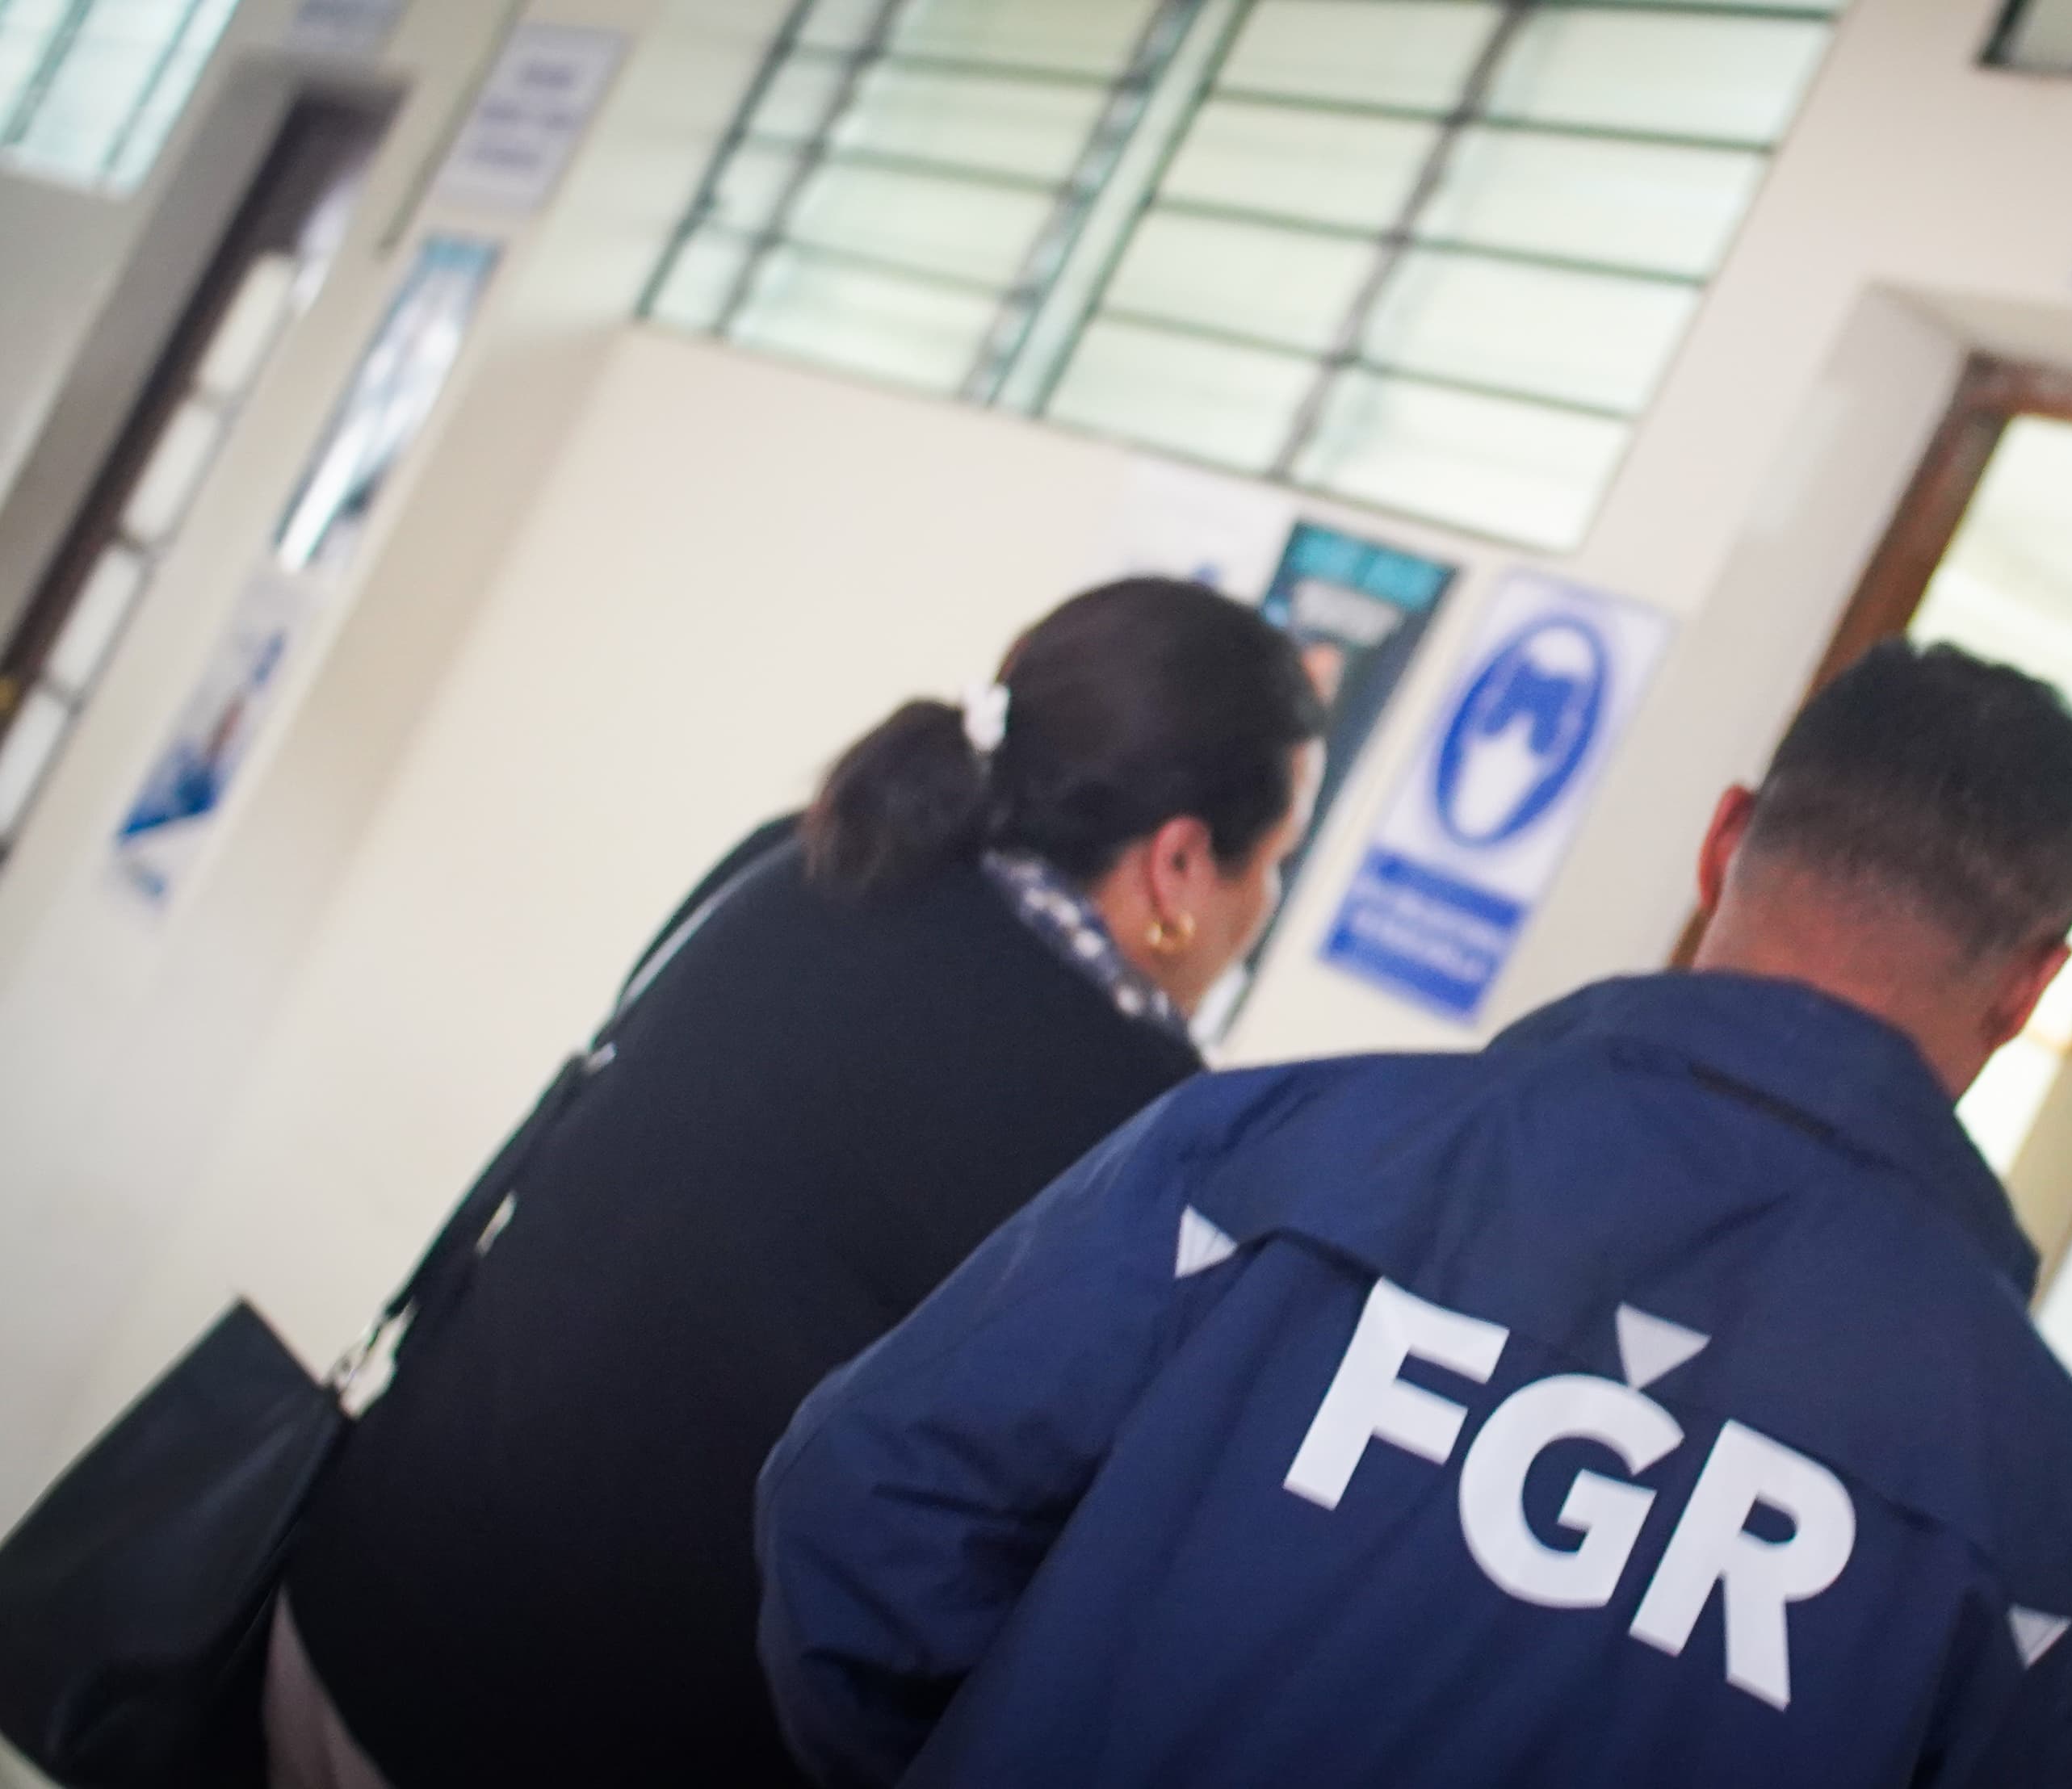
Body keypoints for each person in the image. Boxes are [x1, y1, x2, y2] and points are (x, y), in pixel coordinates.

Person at [755, 639, 2072, 1787]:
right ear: (2032, 986)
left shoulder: (1273, 1150)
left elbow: (870, 1501)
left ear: (1724, 842)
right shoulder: (2054, 1535)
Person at [269, 578, 1327, 1789]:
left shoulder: (806, 854)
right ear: (1180, 863)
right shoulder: (1149, 1137)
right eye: (1277, 861)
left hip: (360, 1585)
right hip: (585, 1734)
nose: (1266, 903)